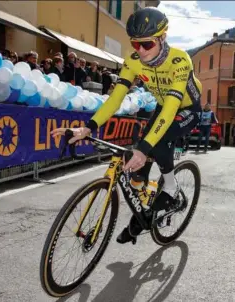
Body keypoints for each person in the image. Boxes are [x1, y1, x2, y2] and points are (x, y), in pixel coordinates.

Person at [51, 7, 202, 244]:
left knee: (155, 142)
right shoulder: (133, 62)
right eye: (135, 44)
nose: (140, 51)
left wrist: (144, 148)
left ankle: (171, 188)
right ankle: (144, 211)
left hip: (186, 108)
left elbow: (173, 106)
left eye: (147, 44)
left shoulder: (180, 60)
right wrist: (88, 127)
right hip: (163, 107)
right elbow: (115, 98)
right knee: (138, 164)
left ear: (162, 38)